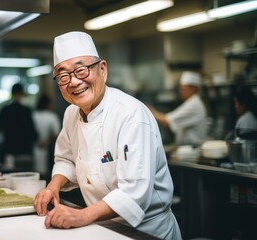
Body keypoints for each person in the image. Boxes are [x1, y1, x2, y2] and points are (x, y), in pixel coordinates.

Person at [33, 31, 181, 239]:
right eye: (64, 75)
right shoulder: (71, 113)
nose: (73, 82)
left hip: (146, 231)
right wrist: (53, 187)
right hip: (101, 227)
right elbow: (66, 159)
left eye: (81, 70)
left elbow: (135, 192)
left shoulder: (131, 114)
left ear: (102, 69)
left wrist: (82, 216)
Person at [149, 71, 208, 146]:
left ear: (194, 89)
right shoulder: (191, 102)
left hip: (192, 149)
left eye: (184, 89)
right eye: (181, 89)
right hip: (186, 148)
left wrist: (149, 111)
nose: (181, 92)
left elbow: (167, 121)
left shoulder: (194, 104)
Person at [0, 83, 38, 170]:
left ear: (12, 93)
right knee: (27, 179)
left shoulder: (5, 110)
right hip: (26, 153)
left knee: (11, 179)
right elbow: (34, 134)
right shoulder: (27, 111)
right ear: (22, 94)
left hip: (10, 153)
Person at [32, 95, 61, 176]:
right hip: (48, 148)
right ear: (48, 104)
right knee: (46, 174)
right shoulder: (52, 116)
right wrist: (47, 142)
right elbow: (56, 135)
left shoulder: (33, 115)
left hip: (32, 148)